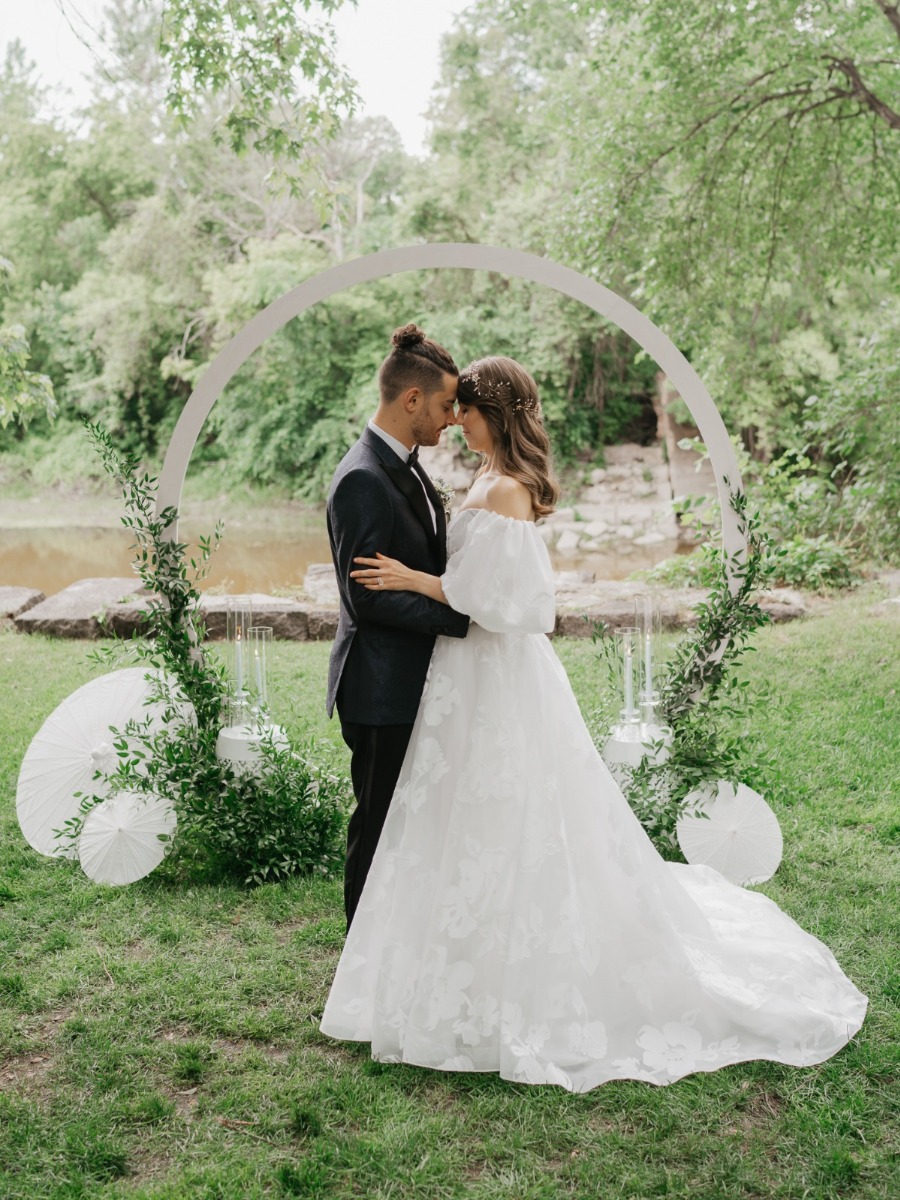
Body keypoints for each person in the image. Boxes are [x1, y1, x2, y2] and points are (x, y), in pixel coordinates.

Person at [319, 353, 867, 1093]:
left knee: (507, 823)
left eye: (465, 410)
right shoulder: (470, 478)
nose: (455, 420)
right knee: (445, 823)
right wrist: (435, 585)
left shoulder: (506, 489)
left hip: (495, 678)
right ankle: (424, 965)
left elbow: (519, 606)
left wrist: (423, 580)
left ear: (490, 415)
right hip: (457, 680)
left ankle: (499, 977)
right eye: (449, 409)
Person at [326, 324, 471, 931]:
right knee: (380, 821)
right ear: (411, 400)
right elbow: (368, 599)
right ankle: (362, 950)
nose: (450, 421)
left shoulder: (404, 465)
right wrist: (459, 613)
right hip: (380, 688)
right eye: (443, 407)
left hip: (410, 679)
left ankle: (398, 940)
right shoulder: (363, 476)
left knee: (407, 818)